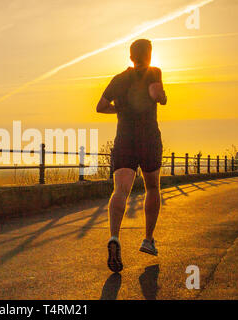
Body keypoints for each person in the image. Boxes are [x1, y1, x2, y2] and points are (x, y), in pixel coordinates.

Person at [96, 39, 167, 273]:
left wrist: (119, 109)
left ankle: (114, 237)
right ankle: (148, 239)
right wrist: (162, 97)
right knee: (152, 188)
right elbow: (156, 94)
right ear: (149, 55)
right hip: (148, 138)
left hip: (125, 139)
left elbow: (100, 106)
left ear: (130, 56)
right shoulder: (153, 71)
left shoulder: (119, 79)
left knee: (120, 190)